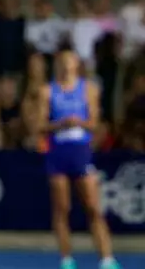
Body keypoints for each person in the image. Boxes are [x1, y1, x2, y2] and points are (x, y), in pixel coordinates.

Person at [37, 48, 121, 269]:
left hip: (80, 152)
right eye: (62, 62)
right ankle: (66, 259)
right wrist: (60, 124)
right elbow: (40, 125)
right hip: (57, 153)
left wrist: (78, 123)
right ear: (57, 66)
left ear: (76, 65)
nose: (66, 66)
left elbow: (94, 123)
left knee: (93, 206)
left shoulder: (88, 89)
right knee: (62, 208)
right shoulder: (48, 91)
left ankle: (107, 258)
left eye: (70, 61)